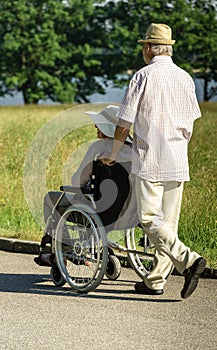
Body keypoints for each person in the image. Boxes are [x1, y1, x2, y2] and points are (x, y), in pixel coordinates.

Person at [101, 23, 206, 299]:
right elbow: (190, 125)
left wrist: (113, 153)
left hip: (150, 159)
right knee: (167, 223)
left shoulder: (142, 76)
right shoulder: (185, 78)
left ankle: (189, 260)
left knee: (149, 219)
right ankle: (155, 280)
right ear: (169, 48)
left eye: (143, 46)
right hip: (177, 159)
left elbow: (124, 122)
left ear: (148, 48)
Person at [34, 105, 134, 266]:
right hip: (129, 214)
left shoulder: (99, 148)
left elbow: (77, 182)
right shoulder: (136, 151)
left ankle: (65, 248)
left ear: (108, 128)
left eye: (98, 124)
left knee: (50, 199)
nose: (95, 126)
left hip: (99, 211)